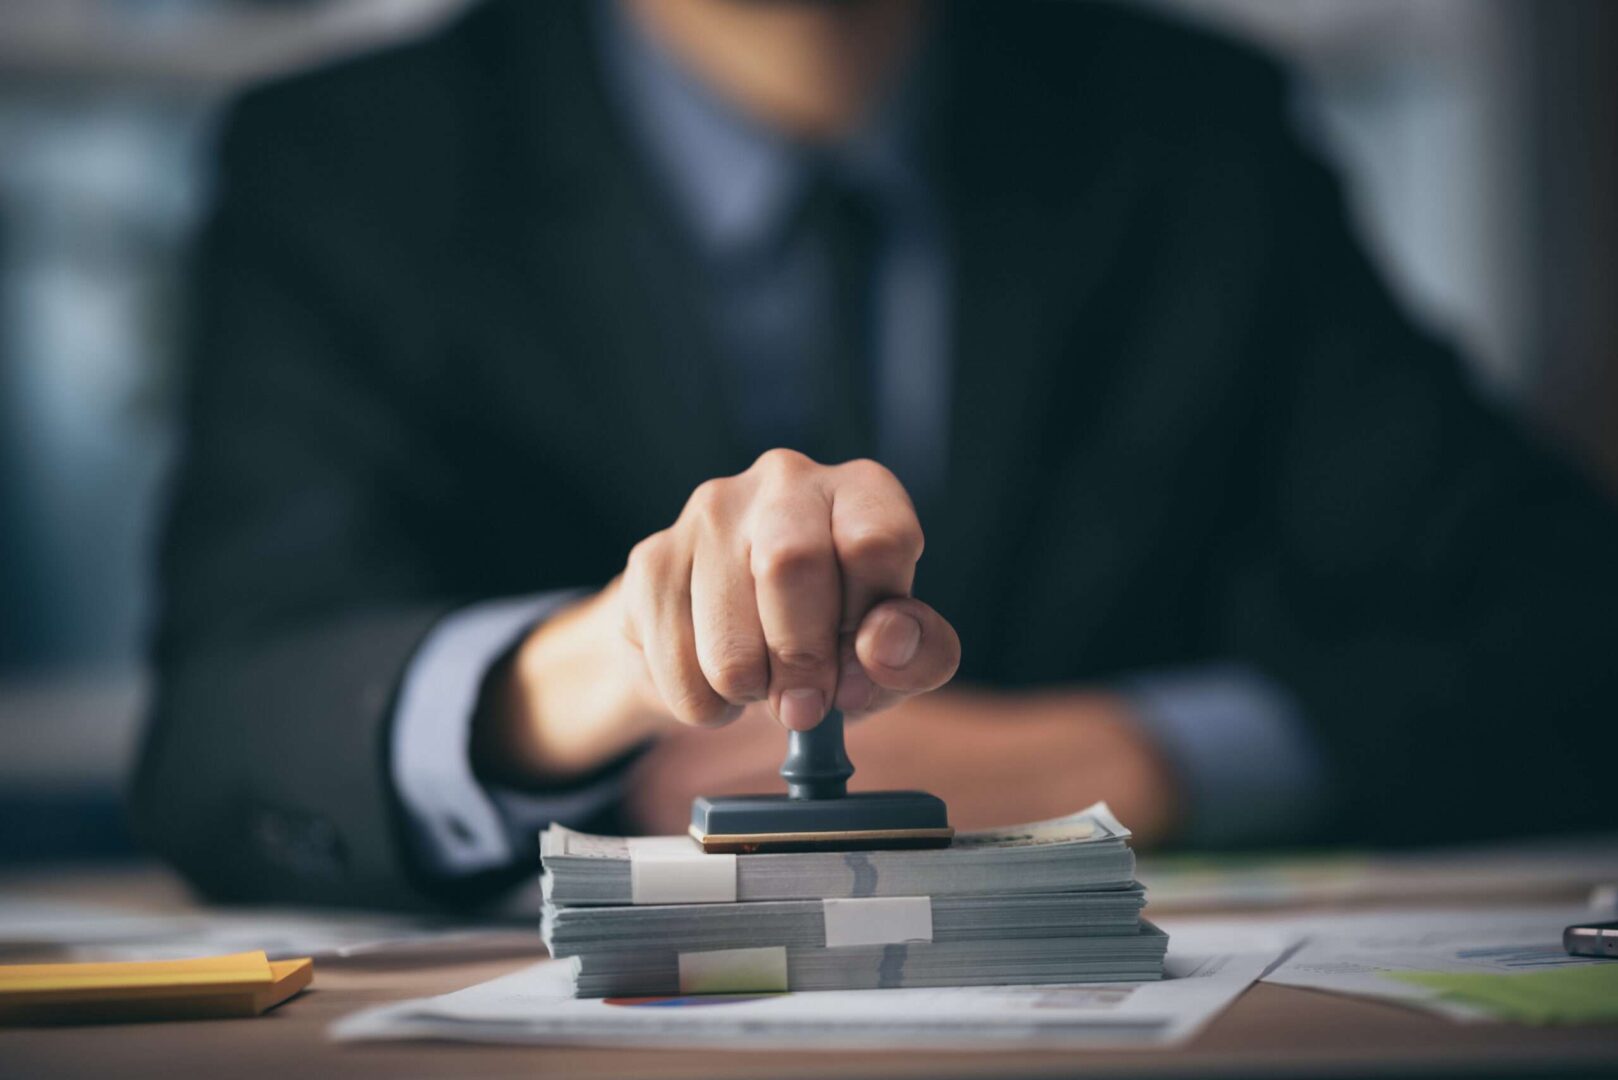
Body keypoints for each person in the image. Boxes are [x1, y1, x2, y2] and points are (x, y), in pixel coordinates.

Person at [133, 0, 1618, 909]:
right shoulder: (349, 162)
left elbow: (1565, 624)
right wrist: (590, 671)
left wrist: (1139, 755)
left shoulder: (1191, 134)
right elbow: (222, 731)